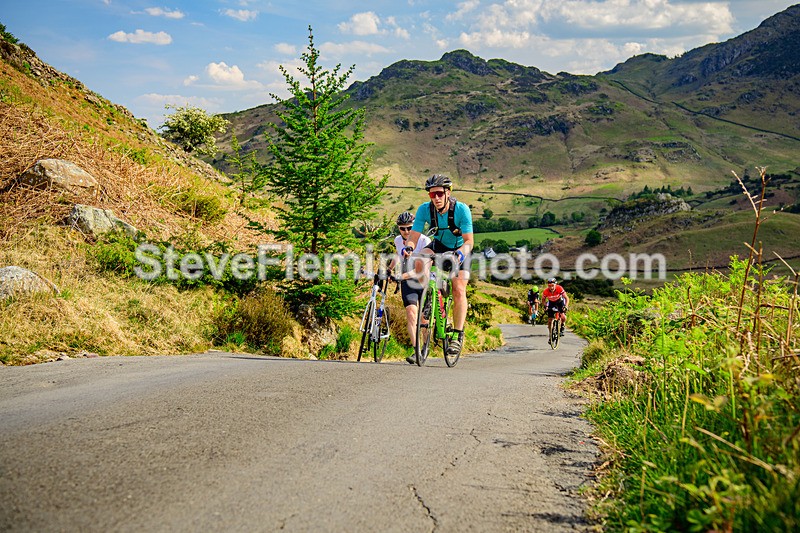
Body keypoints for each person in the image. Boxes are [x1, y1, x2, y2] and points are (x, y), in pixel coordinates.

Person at [402, 174, 474, 362]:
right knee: (419, 259)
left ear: (448, 193)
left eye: (440, 193)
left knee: (459, 289)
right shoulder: (425, 210)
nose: (436, 198)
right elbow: (414, 234)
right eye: (432, 194)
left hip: (460, 249)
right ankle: (428, 295)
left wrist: (459, 254)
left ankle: (457, 335)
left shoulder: (461, 210)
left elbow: (469, 241)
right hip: (439, 245)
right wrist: (409, 246)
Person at [387, 212, 431, 358]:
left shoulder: (425, 241)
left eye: (409, 228)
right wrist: (390, 269)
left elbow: (421, 270)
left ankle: (426, 346)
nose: (406, 232)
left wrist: (400, 276)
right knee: (411, 314)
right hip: (408, 282)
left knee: (424, 319)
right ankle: (416, 351)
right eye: (402, 228)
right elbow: (397, 256)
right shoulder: (398, 240)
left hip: (423, 282)